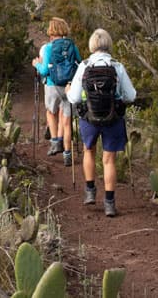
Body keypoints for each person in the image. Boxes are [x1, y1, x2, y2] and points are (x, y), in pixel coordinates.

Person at [66, 28, 136, 216]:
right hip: (113, 118)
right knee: (109, 160)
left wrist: (68, 91)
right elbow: (131, 95)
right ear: (109, 44)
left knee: (89, 151)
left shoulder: (84, 66)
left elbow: (73, 98)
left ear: (92, 45)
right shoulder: (117, 66)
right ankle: (110, 203)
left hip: (89, 118)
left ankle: (90, 191)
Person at [31, 17, 80, 167]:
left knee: (50, 112)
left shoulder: (47, 48)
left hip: (52, 86)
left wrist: (36, 65)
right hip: (69, 86)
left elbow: (45, 70)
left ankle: (55, 142)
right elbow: (79, 64)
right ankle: (67, 154)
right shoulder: (72, 46)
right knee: (66, 121)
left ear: (51, 30)